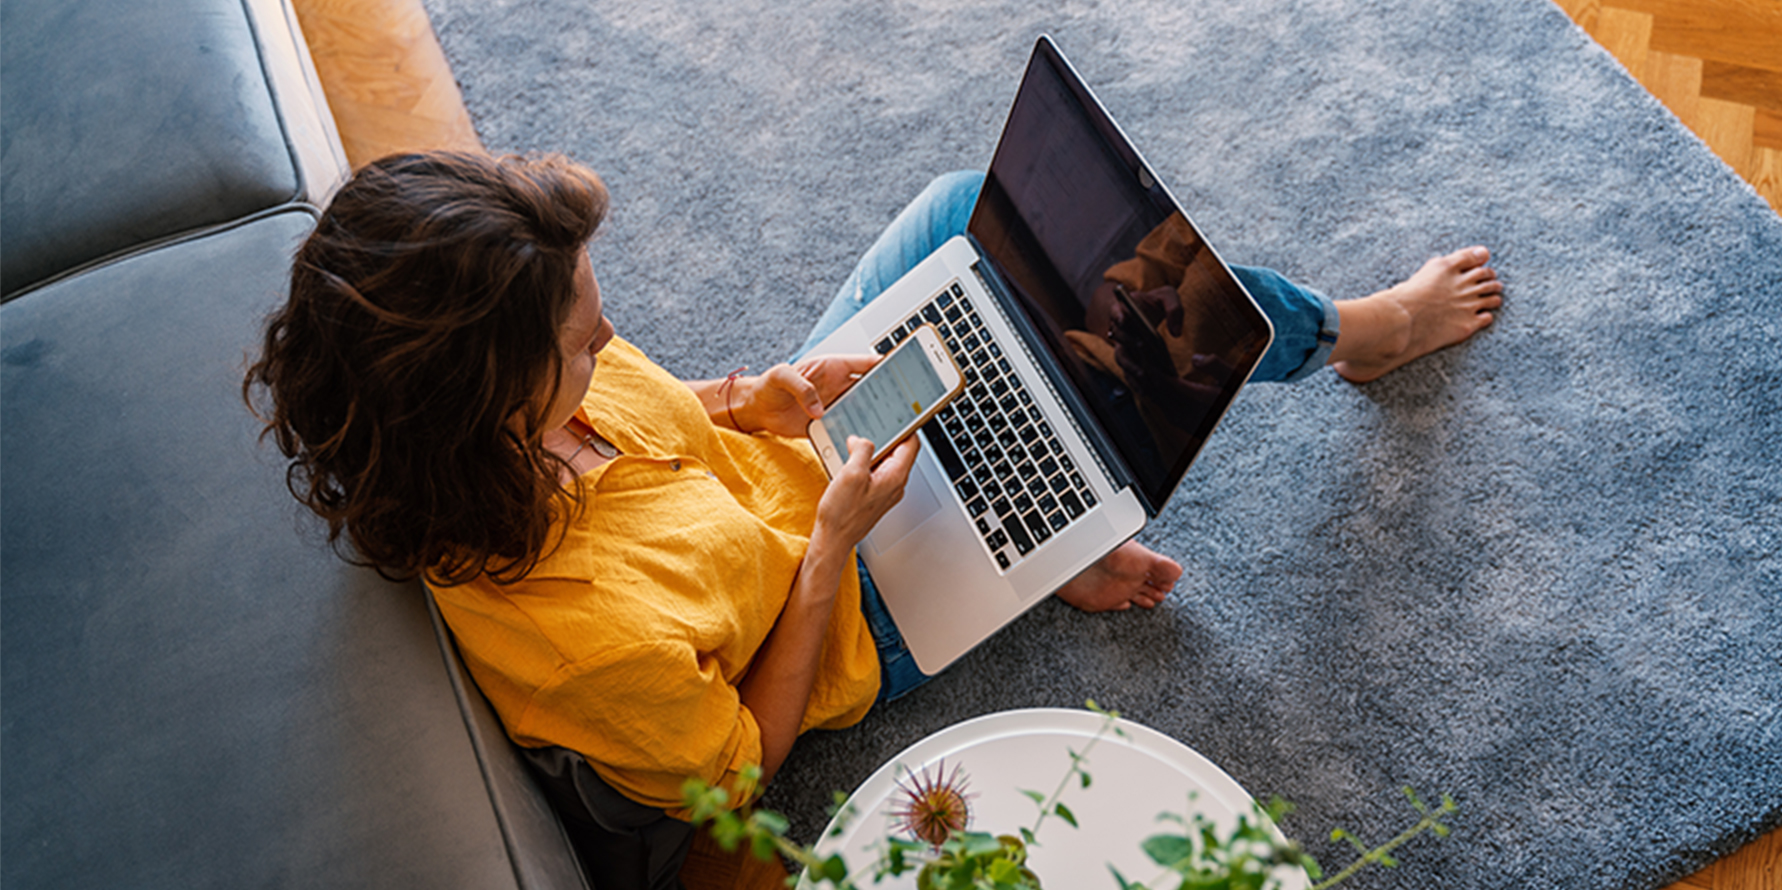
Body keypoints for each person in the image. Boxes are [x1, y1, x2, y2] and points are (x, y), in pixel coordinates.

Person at [245, 152, 1502, 818]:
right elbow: (741, 765)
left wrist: (762, 397)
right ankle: (1361, 332)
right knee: (1095, 379)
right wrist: (834, 550)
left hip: (810, 458)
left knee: (977, 216)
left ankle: (1043, 518)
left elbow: (663, 410)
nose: (609, 337)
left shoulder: (520, 401)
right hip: (847, 606)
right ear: (487, 399)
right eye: (581, 341)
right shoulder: (582, 639)